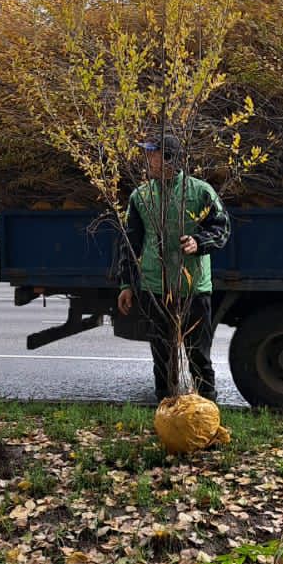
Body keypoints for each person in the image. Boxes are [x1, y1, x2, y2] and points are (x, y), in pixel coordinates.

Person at [117, 133, 230, 403]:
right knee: (162, 356)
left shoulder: (200, 191)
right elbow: (129, 244)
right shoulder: (141, 196)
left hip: (194, 287)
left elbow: (222, 227)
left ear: (169, 158)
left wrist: (199, 242)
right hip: (154, 287)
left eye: (153, 154)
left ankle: (207, 413)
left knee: (198, 354)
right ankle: (167, 411)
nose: (148, 159)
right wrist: (127, 284)